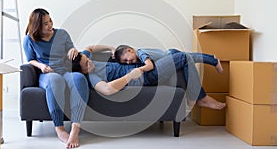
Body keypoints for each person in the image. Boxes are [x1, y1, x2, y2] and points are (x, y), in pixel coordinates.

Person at [72, 45, 226, 110]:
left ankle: (210, 62)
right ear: (82, 72)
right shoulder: (92, 77)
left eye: (87, 59)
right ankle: (201, 97)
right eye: (86, 65)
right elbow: (107, 89)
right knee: (183, 58)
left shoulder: (84, 59)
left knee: (173, 53)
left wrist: (111, 48)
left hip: (146, 70)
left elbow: (89, 48)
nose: (89, 62)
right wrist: (129, 76)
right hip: (146, 77)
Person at [23, 8, 89, 149]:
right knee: (55, 80)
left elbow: (72, 50)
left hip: (65, 70)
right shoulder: (29, 39)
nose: (50, 25)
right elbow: (30, 60)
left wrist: (73, 50)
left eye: (50, 20)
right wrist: (41, 66)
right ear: (37, 26)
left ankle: (75, 128)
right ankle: (59, 128)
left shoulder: (62, 34)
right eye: (45, 24)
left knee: (79, 78)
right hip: (47, 74)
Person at [114, 45, 223, 74]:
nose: (128, 63)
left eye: (127, 59)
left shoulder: (140, 53)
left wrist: (140, 70)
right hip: (169, 55)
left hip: (171, 55)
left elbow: (150, 66)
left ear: (129, 51)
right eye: (125, 62)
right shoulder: (138, 55)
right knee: (191, 58)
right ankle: (211, 57)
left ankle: (213, 61)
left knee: (192, 57)